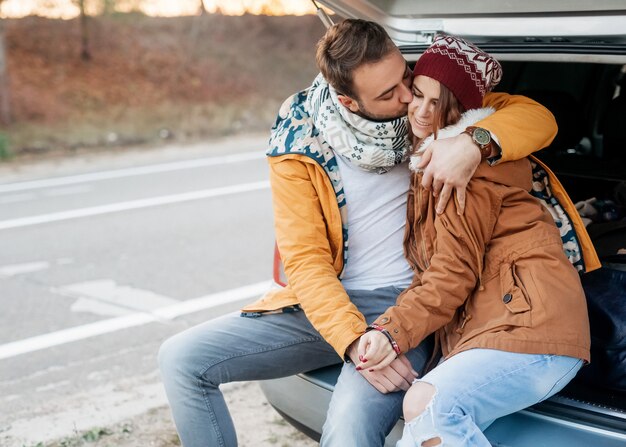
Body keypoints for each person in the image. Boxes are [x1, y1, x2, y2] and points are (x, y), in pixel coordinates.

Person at [158, 20, 559, 447]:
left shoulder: (432, 107)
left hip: (410, 303)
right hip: (331, 308)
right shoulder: (299, 141)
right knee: (180, 359)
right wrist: (354, 341)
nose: (409, 98)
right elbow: (306, 261)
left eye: (403, 77)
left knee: (348, 429)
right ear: (348, 100)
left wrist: (472, 142)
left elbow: (538, 118)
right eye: (388, 94)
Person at [355, 34, 600, 447]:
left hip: (533, 331)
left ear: (462, 110)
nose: (423, 110)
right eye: (418, 94)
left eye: (439, 102)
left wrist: (391, 332)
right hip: (508, 327)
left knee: (430, 406)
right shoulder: (430, 160)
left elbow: (450, 276)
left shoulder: (460, 169)